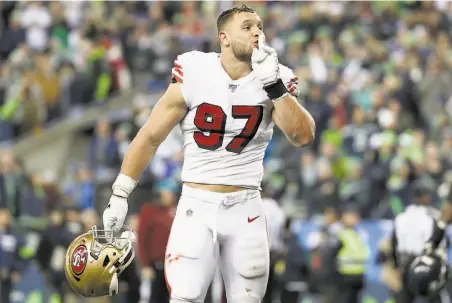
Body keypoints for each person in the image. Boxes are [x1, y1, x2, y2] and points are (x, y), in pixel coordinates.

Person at [102, 4, 315, 303]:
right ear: (224, 37)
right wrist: (121, 192)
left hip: (247, 210)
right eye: (247, 26)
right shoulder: (195, 71)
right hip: (196, 206)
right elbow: (150, 136)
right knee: (185, 297)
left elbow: (302, 136)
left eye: (259, 26)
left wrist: (276, 88)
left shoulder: (275, 76)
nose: (257, 32)